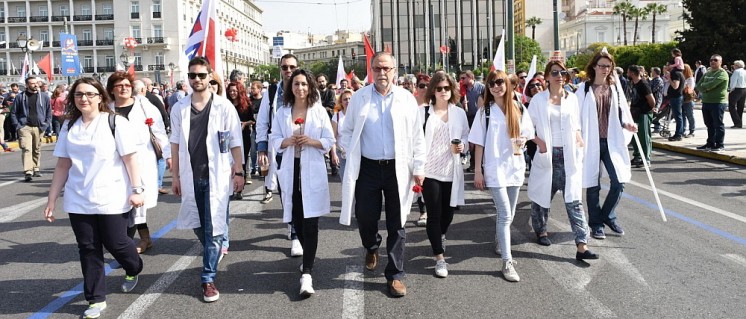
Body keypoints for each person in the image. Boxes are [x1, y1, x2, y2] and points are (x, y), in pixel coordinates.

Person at [43, 77, 144, 319]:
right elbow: (62, 166)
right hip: (79, 198)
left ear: (100, 97)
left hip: (112, 195)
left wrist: (137, 190)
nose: (84, 99)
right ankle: (96, 299)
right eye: (79, 94)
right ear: (73, 99)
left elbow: (130, 159)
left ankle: (133, 266)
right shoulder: (69, 126)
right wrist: (51, 199)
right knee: (88, 249)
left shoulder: (115, 122)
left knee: (116, 243)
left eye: (90, 94)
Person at [338, 51, 426, 297]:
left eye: (387, 68)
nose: (382, 73)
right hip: (368, 167)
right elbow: (347, 131)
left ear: (394, 71)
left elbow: (418, 136)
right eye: (377, 68)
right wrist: (345, 149)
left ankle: (395, 274)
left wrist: (419, 168)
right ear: (371, 70)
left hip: (398, 168)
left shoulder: (407, 99)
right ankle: (371, 245)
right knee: (365, 217)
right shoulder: (359, 98)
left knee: (397, 223)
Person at [169, 57, 244, 302]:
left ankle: (208, 278)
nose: (197, 80)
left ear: (210, 75)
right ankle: (220, 242)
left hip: (218, 176)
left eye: (201, 75)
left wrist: (239, 171)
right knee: (198, 225)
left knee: (212, 231)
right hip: (192, 176)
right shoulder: (179, 108)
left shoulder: (223, 106)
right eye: (193, 75)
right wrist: (176, 176)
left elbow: (235, 141)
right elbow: (175, 144)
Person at [269, 69, 335, 297]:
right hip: (291, 169)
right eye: (296, 84)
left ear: (311, 87)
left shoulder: (318, 111)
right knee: (297, 217)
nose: (300, 88)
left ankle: (307, 273)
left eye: (304, 84)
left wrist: (312, 141)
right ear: (291, 87)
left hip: (312, 169)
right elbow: (274, 138)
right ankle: (309, 256)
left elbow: (329, 139)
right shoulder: (283, 112)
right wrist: (287, 141)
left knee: (311, 221)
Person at [527, 61, 598, 261]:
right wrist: (540, 143)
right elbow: (526, 127)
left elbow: (575, 124)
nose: (559, 75)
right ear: (547, 77)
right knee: (541, 199)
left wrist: (578, 137)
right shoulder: (538, 100)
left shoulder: (572, 99)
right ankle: (541, 231)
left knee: (574, 200)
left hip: (568, 155)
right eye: (555, 72)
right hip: (548, 154)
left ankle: (582, 245)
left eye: (562, 72)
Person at [469, 70, 534, 282]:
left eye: (500, 82)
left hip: (515, 167)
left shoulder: (519, 108)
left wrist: (523, 141)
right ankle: (507, 261)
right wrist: (478, 171)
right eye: (492, 84)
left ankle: (500, 239)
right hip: (495, 169)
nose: (496, 86)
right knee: (505, 214)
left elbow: (527, 134)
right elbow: (478, 142)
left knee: (510, 214)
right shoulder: (484, 112)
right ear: (488, 88)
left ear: (507, 84)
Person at [577, 51, 637, 240]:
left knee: (619, 181)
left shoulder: (614, 88)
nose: (605, 69)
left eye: (608, 66)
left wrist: (627, 124)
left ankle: (607, 216)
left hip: (611, 141)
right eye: (602, 65)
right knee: (592, 184)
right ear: (594, 66)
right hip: (590, 142)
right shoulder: (583, 89)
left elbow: (619, 114)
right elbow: (576, 116)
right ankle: (596, 224)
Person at [107, 71, 169, 254]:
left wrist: (168, 156)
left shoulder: (144, 105)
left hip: (143, 158)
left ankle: (143, 238)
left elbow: (159, 131)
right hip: (115, 160)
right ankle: (127, 238)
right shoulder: (106, 109)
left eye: (127, 85)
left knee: (139, 199)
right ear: (112, 90)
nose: (124, 88)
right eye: (119, 85)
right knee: (121, 199)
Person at [419, 71, 469, 278]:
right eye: (438, 88)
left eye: (446, 88)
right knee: (434, 214)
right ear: (433, 91)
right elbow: (416, 141)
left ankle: (440, 235)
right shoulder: (423, 113)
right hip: (430, 171)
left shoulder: (459, 113)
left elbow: (465, 136)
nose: (442, 92)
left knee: (448, 214)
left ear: (452, 90)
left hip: (452, 170)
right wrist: (417, 169)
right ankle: (439, 258)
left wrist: (462, 146)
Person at [256, 53, 304, 257]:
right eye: (284, 67)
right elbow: (263, 122)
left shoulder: (305, 88)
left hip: (304, 148)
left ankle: (301, 226)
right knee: (287, 190)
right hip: (281, 149)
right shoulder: (272, 92)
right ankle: (295, 233)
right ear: (280, 69)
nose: (288, 71)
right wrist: (262, 148)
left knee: (302, 190)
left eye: (292, 67)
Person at [10, 76, 52, 182]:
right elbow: (13, 112)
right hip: (25, 127)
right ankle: (28, 171)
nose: (36, 85)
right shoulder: (20, 97)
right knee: (27, 149)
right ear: (27, 85)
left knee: (36, 149)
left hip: (39, 126)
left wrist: (46, 124)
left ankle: (36, 168)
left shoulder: (44, 96)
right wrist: (17, 125)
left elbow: (48, 111)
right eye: (32, 83)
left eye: (36, 83)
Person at [695, 55, 730, 151]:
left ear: (720, 62)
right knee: (709, 124)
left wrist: (705, 87)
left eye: (715, 60)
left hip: (717, 102)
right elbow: (698, 85)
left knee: (718, 124)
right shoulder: (708, 73)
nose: (713, 62)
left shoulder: (722, 73)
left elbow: (712, 85)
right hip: (706, 102)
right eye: (711, 60)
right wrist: (706, 88)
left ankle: (719, 144)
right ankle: (710, 143)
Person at [227, 81, 255, 195]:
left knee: (241, 161)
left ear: (239, 91)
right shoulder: (226, 104)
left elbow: (253, 120)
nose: (232, 93)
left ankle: (239, 189)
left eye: (235, 91)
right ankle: (231, 186)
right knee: (230, 161)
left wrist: (244, 124)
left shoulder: (246, 104)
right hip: (229, 137)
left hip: (243, 136)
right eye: (230, 91)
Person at [627, 65, 655, 168]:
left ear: (633, 73)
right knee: (635, 136)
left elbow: (652, 101)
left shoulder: (643, 84)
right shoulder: (633, 83)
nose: (627, 74)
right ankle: (637, 156)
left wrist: (647, 110)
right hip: (635, 113)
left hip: (644, 113)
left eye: (628, 72)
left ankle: (646, 158)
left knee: (644, 136)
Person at [460, 70, 485, 172]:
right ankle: (473, 163)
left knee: (479, 140)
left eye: (463, 78)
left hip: (479, 117)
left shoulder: (481, 87)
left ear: (470, 77)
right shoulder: (462, 89)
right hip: (468, 118)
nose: (461, 80)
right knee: (471, 142)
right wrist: (462, 103)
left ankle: (481, 164)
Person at [331, 89, 352, 180]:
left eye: (350, 99)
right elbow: (333, 138)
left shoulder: (358, 115)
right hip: (342, 153)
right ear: (341, 102)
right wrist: (334, 154)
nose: (348, 101)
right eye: (345, 99)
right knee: (345, 179)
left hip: (356, 153)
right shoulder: (337, 116)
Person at [666, 62, 685, 141]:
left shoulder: (675, 73)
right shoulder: (678, 73)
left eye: (668, 64)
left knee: (678, 116)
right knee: (678, 116)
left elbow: (675, 86)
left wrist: (669, 78)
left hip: (676, 97)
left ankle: (678, 134)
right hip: (676, 97)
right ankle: (679, 133)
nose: (666, 66)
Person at [249, 81, 263, 175]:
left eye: (254, 88)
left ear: (259, 89)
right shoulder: (249, 100)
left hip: (262, 129)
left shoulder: (264, 100)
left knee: (261, 150)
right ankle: (253, 167)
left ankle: (261, 167)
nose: (252, 90)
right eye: (251, 88)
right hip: (253, 128)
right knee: (253, 150)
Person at [727, 60, 746, 128]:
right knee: (740, 107)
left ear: (737, 65)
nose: (733, 66)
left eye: (734, 65)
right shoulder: (744, 71)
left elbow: (733, 81)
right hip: (744, 89)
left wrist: (731, 89)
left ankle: (737, 122)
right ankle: (739, 122)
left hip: (736, 89)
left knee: (731, 106)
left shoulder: (736, 71)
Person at [681, 64, 697, 137]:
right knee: (682, 115)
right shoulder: (682, 77)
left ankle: (692, 131)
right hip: (682, 98)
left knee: (690, 115)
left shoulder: (690, 79)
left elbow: (690, 88)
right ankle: (682, 130)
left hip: (688, 98)